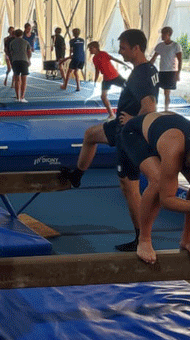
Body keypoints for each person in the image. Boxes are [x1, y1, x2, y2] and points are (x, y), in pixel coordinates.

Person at [59, 29, 159, 252]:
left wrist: (134, 120)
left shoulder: (142, 73)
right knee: (91, 135)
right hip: (121, 127)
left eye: (123, 48)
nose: (120, 52)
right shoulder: (148, 68)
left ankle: (142, 238)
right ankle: (77, 175)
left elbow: (150, 106)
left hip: (130, 133)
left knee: (129, 188)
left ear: (136, 48)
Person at [120, 112, 190, 264]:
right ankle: (143, 240)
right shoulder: (174, 150)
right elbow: (166, 200)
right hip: (136, 133)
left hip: (165, 128)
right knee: (157, 181)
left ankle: (188, 240)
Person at [87, 41, 130, 118]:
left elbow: (114, 59)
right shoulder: (94, 59)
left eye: (91, 48)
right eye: (89, 49)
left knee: (128, 88)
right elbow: (97, 70)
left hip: (115, 76)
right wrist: (95, 80)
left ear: (96, 48)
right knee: (103, 96)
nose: (90, 50)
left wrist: (125, 64)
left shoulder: (103, 54)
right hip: (106, 79)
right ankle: (111, 114)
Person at [150, 26, 183, 111]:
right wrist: (147, 67)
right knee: (154, 89)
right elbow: (153, 58)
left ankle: (166, 109)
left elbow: (180, 60)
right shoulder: (160, 46)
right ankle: (154, 108)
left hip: (171, 71)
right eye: (162, 34)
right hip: (161, 71)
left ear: (169, 34)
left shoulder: (176, 46)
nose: (162, 36)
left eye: (164, 34)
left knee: (166, 93)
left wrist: (178, 73)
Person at [8, 28, 30, 102]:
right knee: (24, 80)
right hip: (24, 60)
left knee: (17, 80)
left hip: (15, 61)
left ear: (15, 35)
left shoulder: (12, 42)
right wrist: (28, 59)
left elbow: (11, 53)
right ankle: (22, 97)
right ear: (22, 35)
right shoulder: (26, 42)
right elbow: (29, 52)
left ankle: (17, 97)